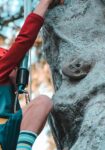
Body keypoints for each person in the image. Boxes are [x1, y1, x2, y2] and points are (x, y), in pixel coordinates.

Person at [0, 0, 64, 150]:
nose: (16, 69)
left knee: (43, 102)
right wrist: (44, 3)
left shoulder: (10, 96)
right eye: (14, 67)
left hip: (8, 134)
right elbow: (24, 40)